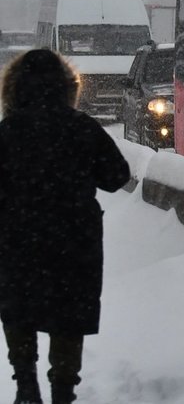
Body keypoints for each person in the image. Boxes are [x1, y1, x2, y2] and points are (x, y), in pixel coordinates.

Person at [0, 49, 130, 404]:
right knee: (68, 315)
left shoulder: (6, 132)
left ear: (13, 89)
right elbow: (117, 177)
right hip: (73, 241)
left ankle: (26, 385)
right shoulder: (81, 128)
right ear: (66, 87)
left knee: (18, 307)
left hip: (16, 239)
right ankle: (63, 389)